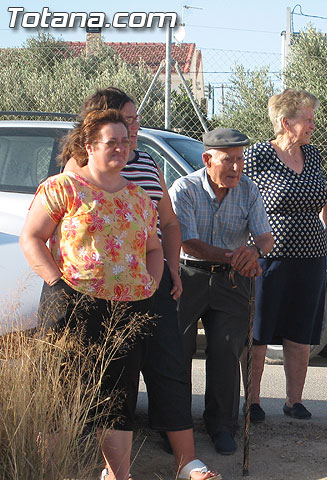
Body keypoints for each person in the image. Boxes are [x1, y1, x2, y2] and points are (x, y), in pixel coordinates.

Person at [63, 88, 220, 480]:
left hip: (152, 282)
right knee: (111, 376)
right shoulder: (77, 168)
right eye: (127, 121)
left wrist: (170, 269)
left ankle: (187, 461)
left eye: (135, 121)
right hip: (100, 289)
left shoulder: (148, 162)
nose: (134, 129)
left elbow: (168, 222)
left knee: (169, 363)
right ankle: (111, 469)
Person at [20, 109, 164, 480]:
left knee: (118, 401)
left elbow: (153, 248)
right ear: (89, 146)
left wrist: (151, 284)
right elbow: (31, 238)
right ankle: (50, 473)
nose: (121, 148)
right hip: (70, 305)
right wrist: (57, 285)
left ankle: (118, 475)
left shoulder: (139, 197)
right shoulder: (63, 188)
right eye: (111, 142)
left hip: (128, 312)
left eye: (126, 141)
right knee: (60, 398)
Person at [169, 128, 274, 455]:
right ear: (207, 159)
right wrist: (235, 256)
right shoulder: (184, 189)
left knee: (227, 350)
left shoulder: (248, 189)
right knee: (177, 350)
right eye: (229, 160)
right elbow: (189, 243)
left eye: (240, 159)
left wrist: (253, 251)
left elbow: (266, 237)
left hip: (232, 280)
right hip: (188, 276)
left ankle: (222, 426)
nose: (237, 167)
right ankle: (174, 425)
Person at [242, 88, 327, 423]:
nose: (313, 125)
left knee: (300, 330)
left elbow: (322, 192)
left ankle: (294, 401)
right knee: (259, 332)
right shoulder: (257, 156)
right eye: (307, 119)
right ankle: (252, 401)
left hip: (311, 257)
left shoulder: (312, 154)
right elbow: (242, 195)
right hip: (269, 258)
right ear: (285, 122)